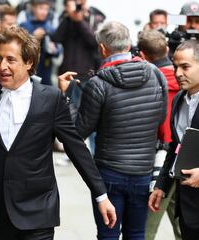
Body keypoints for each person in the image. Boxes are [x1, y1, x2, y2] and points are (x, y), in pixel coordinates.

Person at [0, 26, 116, 240]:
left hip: (38, 210)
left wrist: (100, 195)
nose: (2, 66)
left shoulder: (50, 99)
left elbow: (75, 147)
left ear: (29, 63)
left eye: (11, 60)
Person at [59, 21, 167, 239]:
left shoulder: (98, 83)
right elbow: (160, 117)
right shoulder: (156, 74)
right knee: (136, 233)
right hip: (143, 172)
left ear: (102, 48)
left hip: (109, 173)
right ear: (129, 46)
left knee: (107, 234)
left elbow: (78, 131)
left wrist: (66, 96)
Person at [149, 40, 199, 240]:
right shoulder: (179, 98)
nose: (178, 73)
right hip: (187, 209)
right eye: (175, 66)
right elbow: (175, 147)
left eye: (185, 66)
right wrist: (161, 185)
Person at [137, 29, 182, 240]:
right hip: (183, 158)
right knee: (183, 223)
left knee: (146, 228)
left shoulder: (146, 82)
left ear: (143, 56)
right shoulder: (185, 80)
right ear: (167, 50)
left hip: (158, 163)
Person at [20, 0, 60, 85]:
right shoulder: (25, 26)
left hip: (46, 70)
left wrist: (53, 49)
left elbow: (58, 51)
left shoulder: (50, 28)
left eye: (46, 9)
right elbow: (19, 48)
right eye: (41, 8)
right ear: (33, 8)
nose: (44, 12)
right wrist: (33, 37)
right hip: (28, 70)